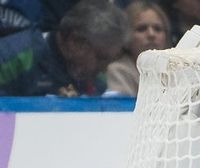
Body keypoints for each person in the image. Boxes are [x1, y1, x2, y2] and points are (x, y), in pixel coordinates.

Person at [0, 0, 128, 96]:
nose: (104, 69)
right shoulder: (17, 56)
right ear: (74, 42)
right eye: (101, 58)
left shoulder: (97, 78)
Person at [106, 0, 170, 96]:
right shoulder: (118, 71)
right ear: (126, 36)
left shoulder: (176, 70)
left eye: (157, 29)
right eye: (141, 29)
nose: (151, 34)